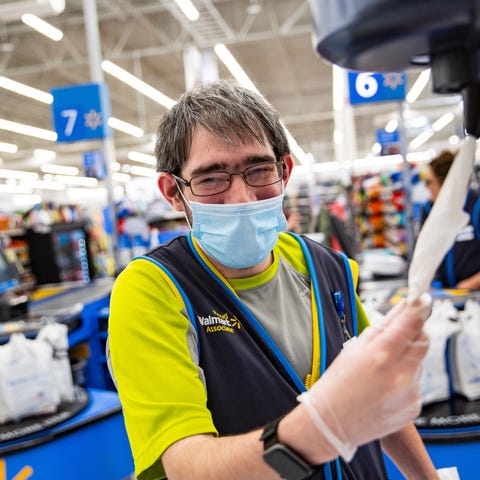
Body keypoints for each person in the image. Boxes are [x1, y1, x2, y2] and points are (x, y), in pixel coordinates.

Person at [108, 80, 438, 480]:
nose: (243, 197)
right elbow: (186, 466)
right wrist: (318, 428)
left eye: (259, 170)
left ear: (285, 172)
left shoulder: (326, 266)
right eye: (211, 179)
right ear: (173, 192)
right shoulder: (153, 290)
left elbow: (380, 398)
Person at [423, 150, 480, 290]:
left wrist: (470, 284)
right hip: (442, 297)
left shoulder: (476, 207)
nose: (426, 187)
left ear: (446, 184)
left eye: (430, 182)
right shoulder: (429, 210)